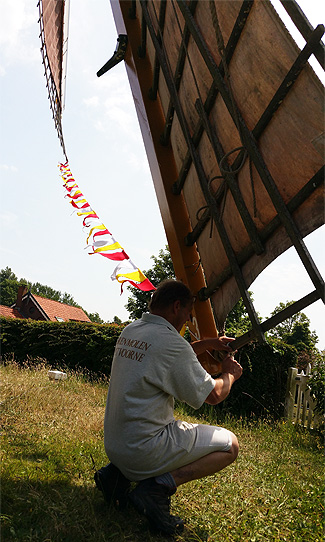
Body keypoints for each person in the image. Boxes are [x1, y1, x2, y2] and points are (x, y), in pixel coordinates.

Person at [95, 280, 242, 535]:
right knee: (230, 445)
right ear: (176, 306)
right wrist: (230, 375)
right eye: (188, 313)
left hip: (115, 448)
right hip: (141, 452)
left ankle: (116, 477)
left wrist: (209, 343)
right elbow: (215, 395)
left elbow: (172, 353)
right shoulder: (171, 343)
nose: (187, 319)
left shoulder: (132, 330)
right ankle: (156, 489)